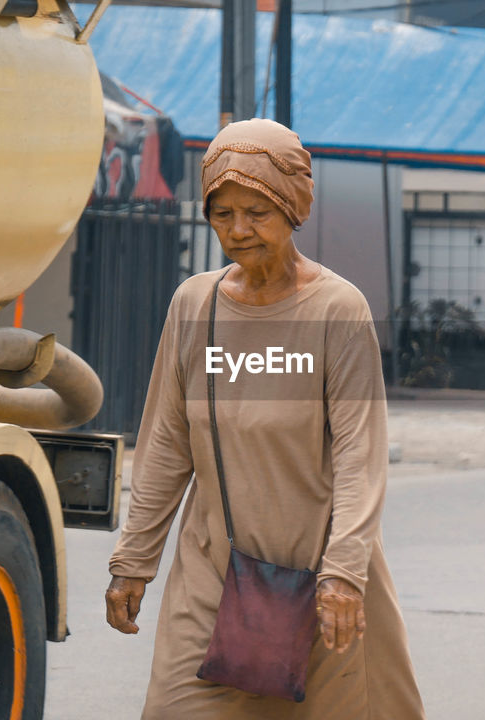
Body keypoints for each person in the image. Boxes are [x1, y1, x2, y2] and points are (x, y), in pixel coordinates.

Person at [104, 118, 425, 719]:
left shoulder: (337, 309)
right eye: (222, 213)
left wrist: (345, 571)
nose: (238, 230)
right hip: (211, 571)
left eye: (257, 211)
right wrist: (134, 561)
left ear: (292, 206)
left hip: (320, 575)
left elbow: (360, 454)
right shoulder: (194, 305)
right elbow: (167, 445)